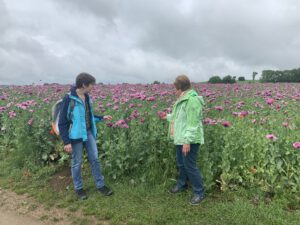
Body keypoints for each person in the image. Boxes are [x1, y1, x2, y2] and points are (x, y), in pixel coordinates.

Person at [58, 72, 113, 200]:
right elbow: (62, 122)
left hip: (88, 132)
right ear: (83, 84)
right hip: (75, 136)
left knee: (95, 159)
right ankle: (79, 188)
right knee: (77, 162)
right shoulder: (69, 99)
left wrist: (101, 117)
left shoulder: (86, 97)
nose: (92, 87)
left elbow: (87, 116)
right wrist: (66, 142)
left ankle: (100, 185)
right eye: (91, 85)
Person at [164, 74, 205, 205]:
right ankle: (182, 184)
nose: (174, 92)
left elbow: (193, 123)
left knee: (190, 165)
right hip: (181, 137)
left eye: (175, 89)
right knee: (181, 163)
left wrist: (187, 141)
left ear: (180, 88)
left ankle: (199, 192)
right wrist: (166, 116)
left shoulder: (192, 100)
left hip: (190, 140)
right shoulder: (183, 99)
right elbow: (179, 118)